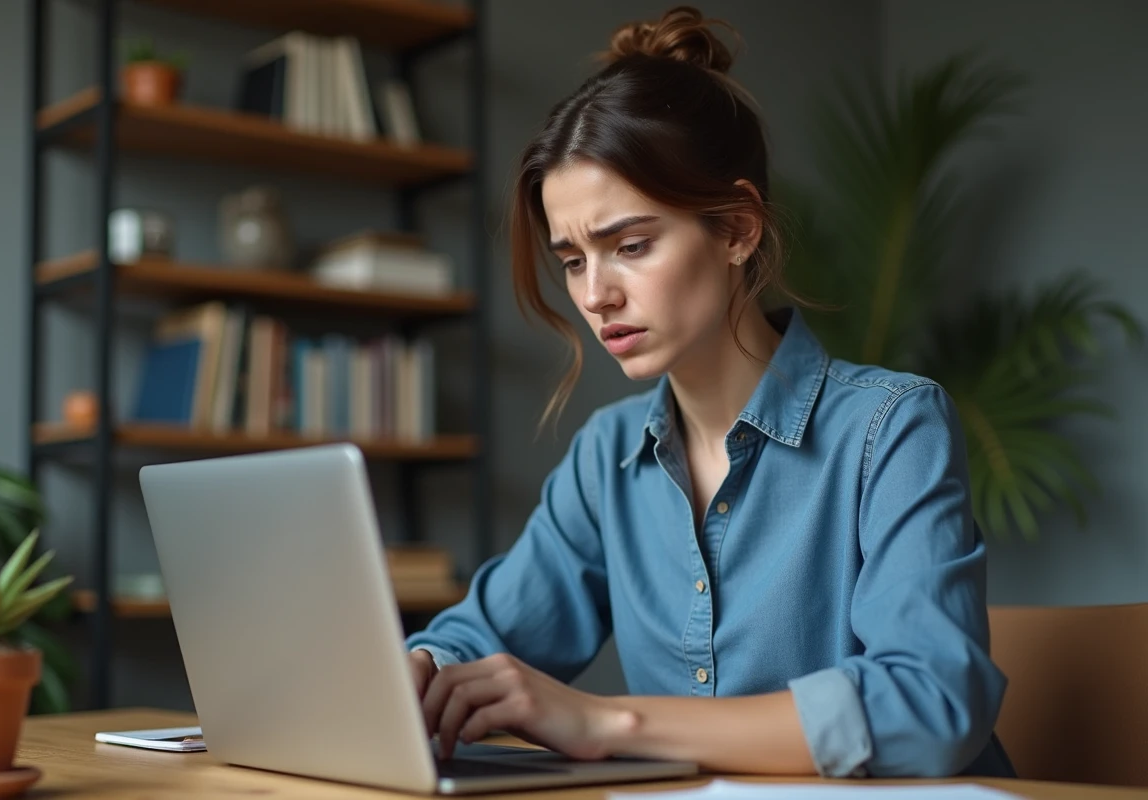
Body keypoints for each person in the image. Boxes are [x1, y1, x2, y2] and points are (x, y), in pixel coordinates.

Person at [405, 5, 1015, 780]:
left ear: (736, 229)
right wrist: (419, 668)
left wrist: (607, 720)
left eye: (630, 246)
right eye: (571, 260)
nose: (595, 296)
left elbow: (930, 704)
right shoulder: (606, 457)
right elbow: (482, 637)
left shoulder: (892, 427)